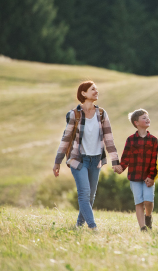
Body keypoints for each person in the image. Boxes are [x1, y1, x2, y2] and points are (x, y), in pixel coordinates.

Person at [53, 81, 120, 231]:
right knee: (84, 193)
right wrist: (57, 161)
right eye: (92, 89)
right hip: (78, 159)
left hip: (95, 159)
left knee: (90, 197)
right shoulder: (74, 114)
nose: (96, 91)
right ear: (83, 93)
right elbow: (66, 138)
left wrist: (115, 161)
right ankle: (93, 226)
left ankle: (79, 225)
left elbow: (109, 139)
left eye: (96, 89)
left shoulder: (102, 113)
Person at [117, 109, 158, 231]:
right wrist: (121, 168)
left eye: (148, 117)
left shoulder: (153, 140)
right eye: (144, 118)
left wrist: (151, 176)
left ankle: (148, 216)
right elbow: (126, 157)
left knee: (148, 201)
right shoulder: (130, 140)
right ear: (136, 122)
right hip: (134, 176)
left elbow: (153, 160)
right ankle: (142, 227)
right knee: (139, 202)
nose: (147, 119)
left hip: (148, 177)